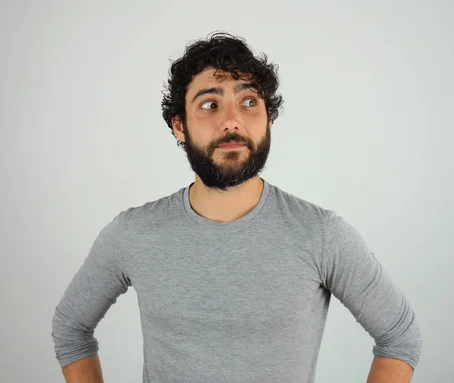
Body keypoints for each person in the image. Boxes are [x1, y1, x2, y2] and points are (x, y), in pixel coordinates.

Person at [51, 32, 422, 383]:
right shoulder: (132, 233)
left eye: (249, 102)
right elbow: (71, 326)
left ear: (268, 119)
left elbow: (400, 336)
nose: (232, 120)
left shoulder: (321, 234)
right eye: (210, 104)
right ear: (179, 126)